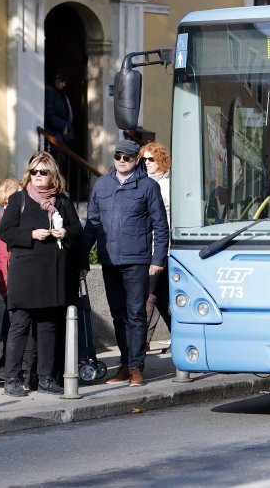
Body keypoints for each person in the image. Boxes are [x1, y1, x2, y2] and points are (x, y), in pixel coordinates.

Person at [81, 139, 169, 386]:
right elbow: (92, 224)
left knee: (136, 315)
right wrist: (82, 259)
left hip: (138, 261)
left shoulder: (148, 186)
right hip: (109, 260)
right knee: (118, 316)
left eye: (127, 157)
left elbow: (160, 226)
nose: (121, 161)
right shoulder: (102, 184)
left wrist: (157, 259)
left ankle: (136, 368)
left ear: (136, 160)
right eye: (118, 156)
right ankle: (124, 363)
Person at [0, 152, 82, 397]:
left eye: (42, 172)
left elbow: (77, 229)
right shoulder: (19, 199)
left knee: (48, 328)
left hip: (53, 274)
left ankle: (46, 378)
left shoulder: (62, 201)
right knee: (19, 326)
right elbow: (6, 231)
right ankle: (12, 378)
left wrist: (64, 232)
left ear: (52, 175)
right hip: (25, 274)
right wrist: (32, 235)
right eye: (33, 171)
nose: (37, 176)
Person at [0, 178, 36, 386]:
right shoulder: (0, 215)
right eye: (3, 203)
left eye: (9, 202)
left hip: (19, 275)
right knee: (11, 320)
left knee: (19, 322)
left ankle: (21, 368)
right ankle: (6, 366)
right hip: (4, 276)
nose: (6, 206)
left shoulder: (25, 214)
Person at [139, 142, 172, 351]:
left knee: (150, 294)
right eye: (143, 159)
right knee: (159, 295)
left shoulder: (167, 185)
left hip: (161, 247)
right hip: (145, 246)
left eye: (151, 159)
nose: (147, 163)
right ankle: (178, 335)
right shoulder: (141, 182)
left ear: (160, 160)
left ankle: (142, 341)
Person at [44, 70, 73, 175]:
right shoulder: (50, 93)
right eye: (62, 82)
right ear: (56, 80)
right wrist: (63, 125)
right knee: (58, 160)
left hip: (61, 134)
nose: (64, 85)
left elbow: (67, 113)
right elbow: (49, 114)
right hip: (53, 133)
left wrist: (67, 126)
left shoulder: (60, 94)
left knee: (62, 160)